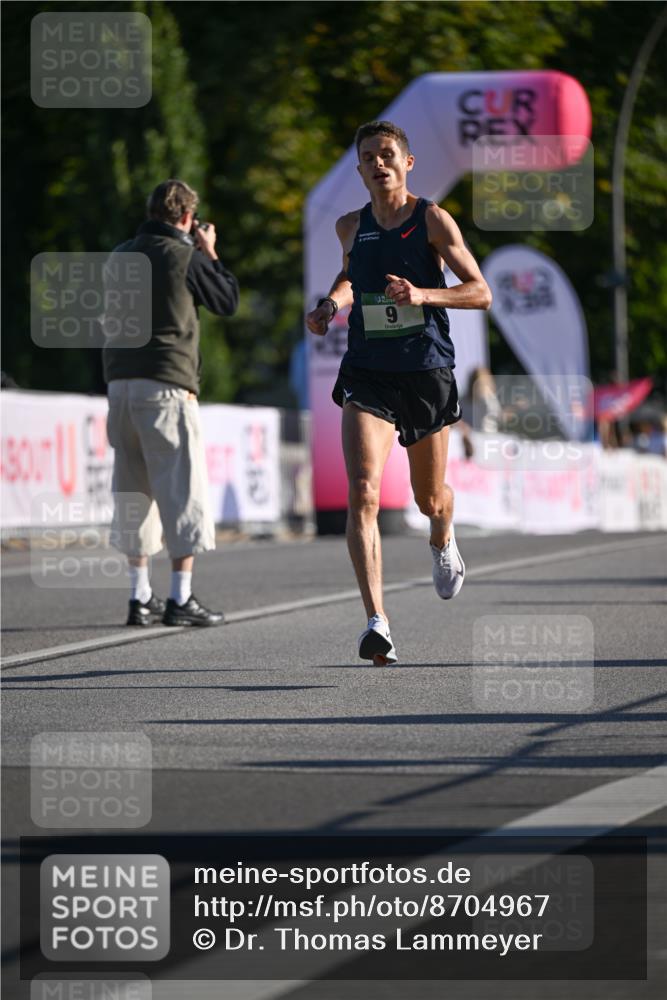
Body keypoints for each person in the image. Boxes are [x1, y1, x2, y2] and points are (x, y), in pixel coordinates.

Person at [306, 120, 491, 665]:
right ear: (359, 168)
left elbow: (480, 292)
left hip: (426, 368)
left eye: (387, 154)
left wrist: (423, 295)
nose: (378, 163)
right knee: (362, 490)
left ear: (407, 163)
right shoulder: (348, 226)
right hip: (368, 370)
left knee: (429, 498)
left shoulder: (432, 219)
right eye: (368, 157)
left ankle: (442, 536)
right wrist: (330, 306)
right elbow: (349, 278)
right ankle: (376, 623)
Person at [103, 179, 239, 627]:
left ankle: (139, 597)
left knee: (134, 492)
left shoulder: (120, 255)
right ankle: (181, 598)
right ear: (186, 217)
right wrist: (210, 251)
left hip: (120, 385)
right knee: (182, 492)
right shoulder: (184, 255)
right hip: (166, 386)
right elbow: (226, 300)